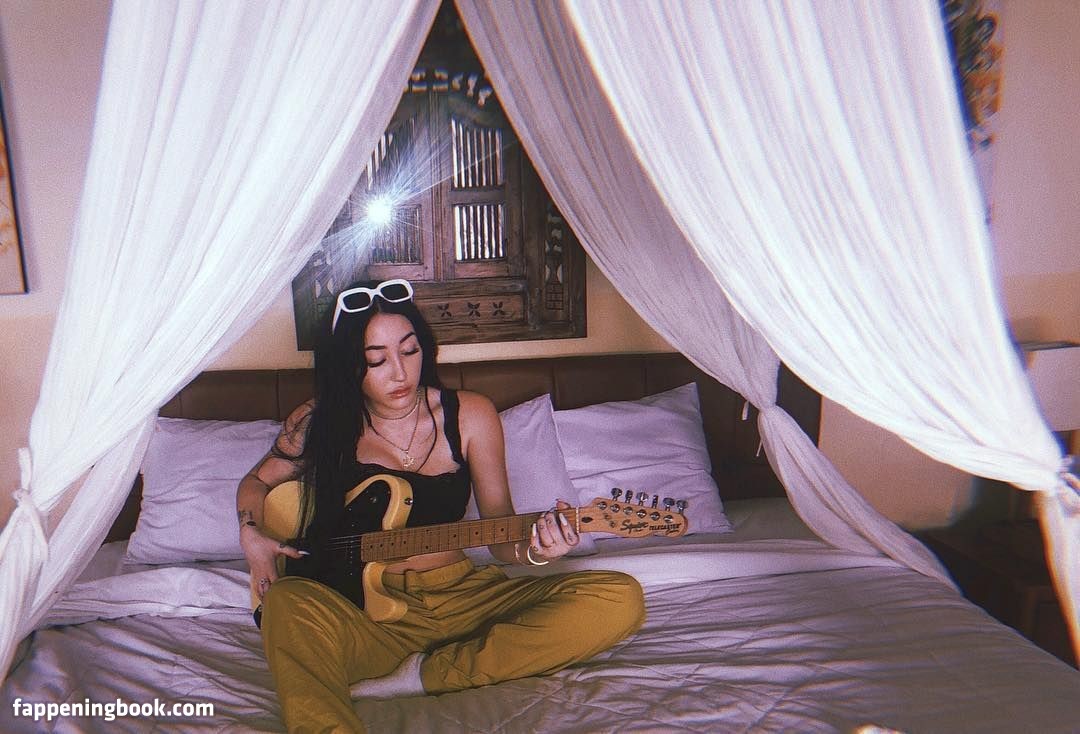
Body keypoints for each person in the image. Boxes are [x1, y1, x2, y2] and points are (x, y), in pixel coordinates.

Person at [236, 278, 645, 732]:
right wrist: (251, 535)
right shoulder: (319, 420)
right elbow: (256, 483)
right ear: (346, 365)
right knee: (285, 602)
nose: (400, 373)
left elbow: (502, 535)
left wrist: (539, 549)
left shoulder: (470, 414)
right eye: (376, 360)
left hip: (465, 597)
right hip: (367, 614)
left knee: (619, 598)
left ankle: (426, 675)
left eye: (409, 351)